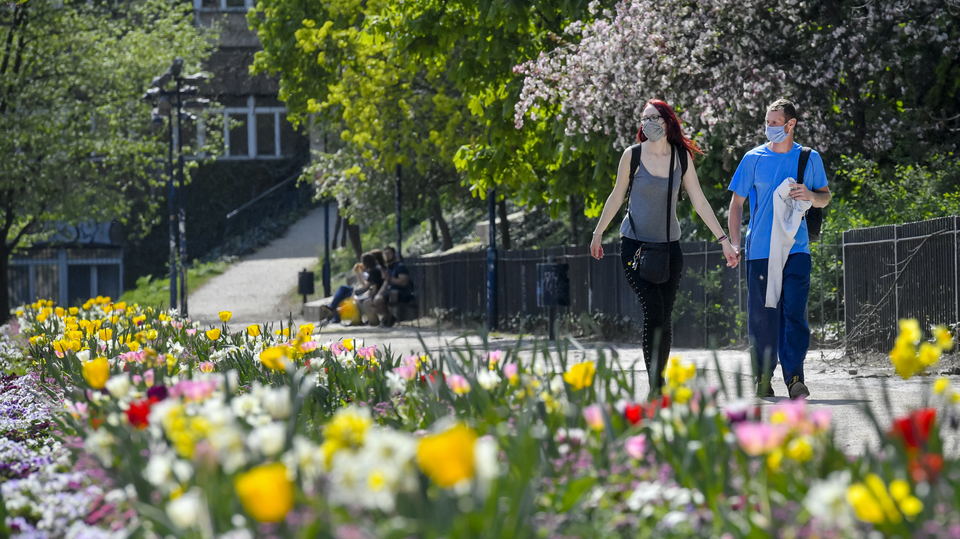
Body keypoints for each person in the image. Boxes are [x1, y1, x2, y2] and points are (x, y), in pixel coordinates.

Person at [590, 99, 738, 397]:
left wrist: (724, 241)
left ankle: (659, 384)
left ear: (667, 121)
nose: (648, 123)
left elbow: (699, 200)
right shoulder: (631, 156)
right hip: (635, 248)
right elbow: (616, 197)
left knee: (664, 317)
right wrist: (598, 233)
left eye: (654, 117)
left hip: (669, 250)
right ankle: (656, 388)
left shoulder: (680, 158)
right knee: (654, 311)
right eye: (644, 118)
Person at [727, 98, 831, 399]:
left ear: (791, 124)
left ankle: (795, 377)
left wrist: (810, 194)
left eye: (775, 122)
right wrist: (734, 242)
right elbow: (736, 205)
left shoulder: (809, 159)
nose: (769, 127)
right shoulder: (752, 158)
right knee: (762, 317)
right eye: (767, 122)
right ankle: (762, 377)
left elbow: (824, 197)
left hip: (796, 249)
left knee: (794, 313)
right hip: (760, 250)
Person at [319, 252, 384, 323]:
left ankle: (333, 311)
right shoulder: (371, 270)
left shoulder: (374, 270)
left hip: (365, 291)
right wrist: (357, 272)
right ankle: (333, 310)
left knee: (346, 294)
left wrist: (358, 273)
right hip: (361, 289)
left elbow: (365, 285)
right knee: (343, 289)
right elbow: (364, 283)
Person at [365, 245, 414, 327]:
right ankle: (388, 316)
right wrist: (378, 295)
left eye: (389, 254)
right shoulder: (389, 268)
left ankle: (389, 317)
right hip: (390, 292)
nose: (387, 256)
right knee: (371, 302)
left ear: (394, 254)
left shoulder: (400, 267)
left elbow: (403, 282)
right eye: (385, 254)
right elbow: (386, 283)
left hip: (401, 293)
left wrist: (389, 278)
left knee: (379, 300)